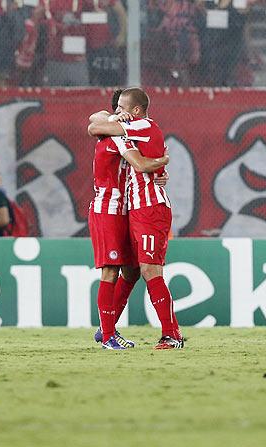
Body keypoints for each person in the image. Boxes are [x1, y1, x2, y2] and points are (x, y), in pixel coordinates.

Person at [88, 87, 183, 349]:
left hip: (146, 207)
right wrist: (161, 162)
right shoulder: (122, 134)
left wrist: (160, 165)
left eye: (122, 109)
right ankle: (107, 331)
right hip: (119, 209)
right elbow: (94, 124)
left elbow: (139, 162)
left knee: (143, 270)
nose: (119, 113)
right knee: (124, 270)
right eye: (116, 109)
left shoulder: (140, 128)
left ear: (135, 111)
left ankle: (170, 334)